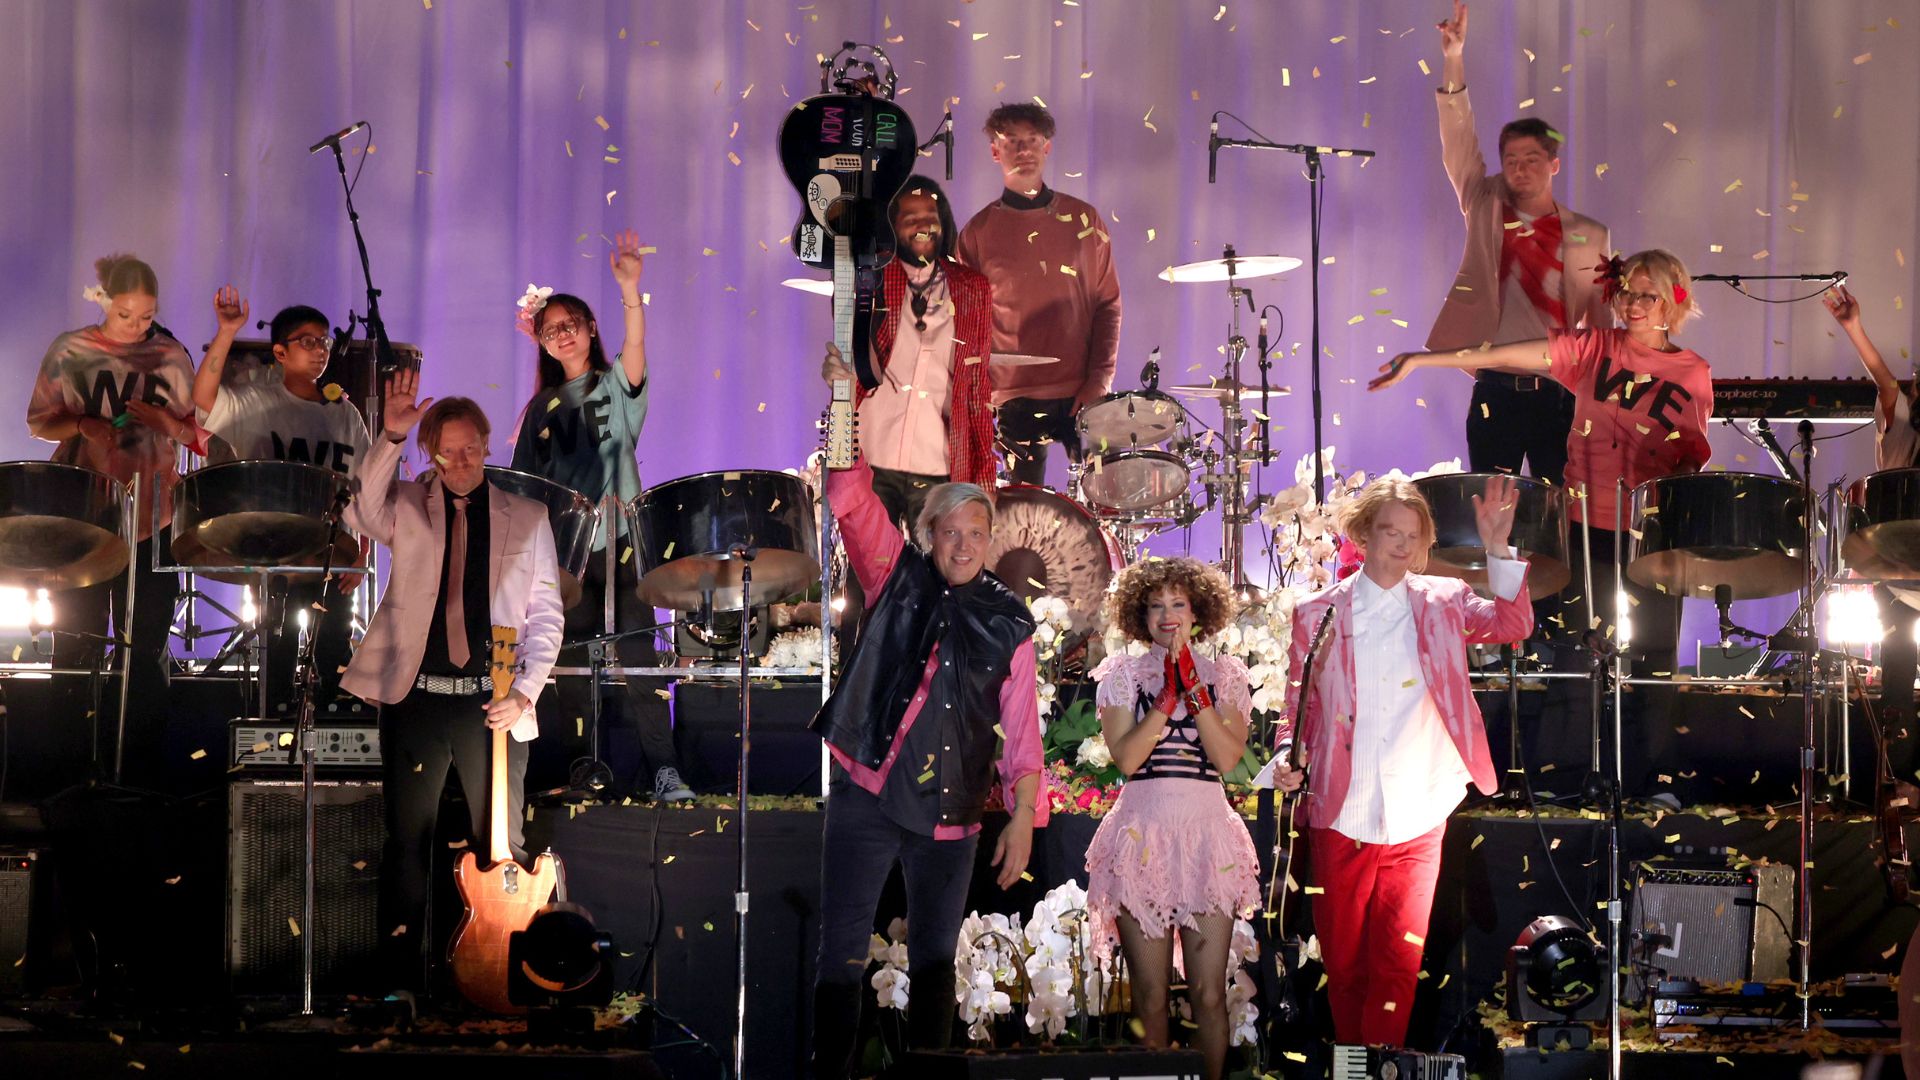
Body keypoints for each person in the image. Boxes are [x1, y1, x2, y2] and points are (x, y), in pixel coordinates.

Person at [809, 346, 1045, 1078]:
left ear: (990, 541)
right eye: (952, 533)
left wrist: (1022, 819)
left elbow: (1023, 734)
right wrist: (846, 403)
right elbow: (849, 495)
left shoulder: (1011, 621)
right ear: (928, 537)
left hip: (952, 809)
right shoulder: (893, 574)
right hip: (870, 789)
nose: (965, 545)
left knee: (938, 955)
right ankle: (830, 1072)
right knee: (844, 948)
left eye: (978, 534)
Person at [1272, 475, 1529, 1048]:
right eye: (1391, 531)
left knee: (1397, 967)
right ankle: (1354, 1066)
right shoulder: (1318, 612)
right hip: (1342, 811)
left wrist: (1497, 549)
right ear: (1363, 534)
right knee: (1345, 966)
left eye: (1413, 535)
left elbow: (1514, 625)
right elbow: (1298, 703)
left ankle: (1381, 1067)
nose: (1402, 544)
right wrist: (1287, 756)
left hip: (1419, 809)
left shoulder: (1444, 599)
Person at [1372, 249, 1708, 680]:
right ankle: (1564, 746)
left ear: (1672, 302)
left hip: (1651, 534)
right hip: (1585, 528)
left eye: (1649, 297)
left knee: (1653, 670)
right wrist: (1421, 359)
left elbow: (1691, 459)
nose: (1634, 306)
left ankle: (1650, 744)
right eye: (1627, 294)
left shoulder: (1693, 372)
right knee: (1576, 662)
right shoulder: (1594, 349)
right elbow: (1503, 354)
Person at [340, 376, 565, 993]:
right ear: (429, 455)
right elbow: (359, 510)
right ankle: (401, 984)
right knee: (407, 843)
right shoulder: (409, 503)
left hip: (492, 704)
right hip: (417, 700)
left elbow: (546, 611)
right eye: (446, 452)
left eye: (470, 450)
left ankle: (498, 976)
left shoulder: (529, 516)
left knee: (504, 845)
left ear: (488, 444)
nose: (460, 463)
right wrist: (390, 434)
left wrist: (526, 692)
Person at [508, 231, 691, 803]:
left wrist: (630, 289)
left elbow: (635, 348)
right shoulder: (539, 408)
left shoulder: (616, 384)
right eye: (550, 327)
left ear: (590, 330)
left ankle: (663, 770)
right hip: (564, 555)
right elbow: (523, 488)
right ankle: (579, 771)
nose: (562, 333)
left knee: (638, 664)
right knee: (564, 668)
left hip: (621, 543)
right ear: (540, 340)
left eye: (572, 323)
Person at [27, 253, 207, 785]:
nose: (137, 326)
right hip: (85, 515)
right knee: (76, 641)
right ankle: (70, 772)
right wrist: (84, 424)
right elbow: (40, 422)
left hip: (153, 515)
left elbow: (196, 432)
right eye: (127, 315)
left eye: (147, 316)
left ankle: (138, 773)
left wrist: (164, 423)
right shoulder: (72, 350)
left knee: (146, 647)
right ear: (105, 301)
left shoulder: (170, 354)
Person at [1083, 557, 1257, 1080]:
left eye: (1178, 603)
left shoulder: (1226, 676)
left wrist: (1194, 691)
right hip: (1143, 838)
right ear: (1141, 613)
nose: (1168, 615)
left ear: (1197, 610)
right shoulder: (1120, 676)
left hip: (1207, 838)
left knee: (1208, 993)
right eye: (1156, 605)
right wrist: (1163, 701)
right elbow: (1127, 759)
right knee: (1152, 996)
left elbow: (1229, 760)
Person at [1428, 0, 1610, 484]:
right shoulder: (1485, 202)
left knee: (1560, 516)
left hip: (1558, 392)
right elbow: (1458, 139)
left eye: (1532, 158)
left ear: (1554, 164)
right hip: (1495, 389)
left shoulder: (1589, 235)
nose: (1519, 168)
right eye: (1511, 158)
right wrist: (1454, 57)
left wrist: (1602, 406)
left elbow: (1600, 325)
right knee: (1493, 512)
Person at [194, 290, 370, 713]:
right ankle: (272, 725)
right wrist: (226, 331)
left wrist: (361, 555)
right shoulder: (257, 403)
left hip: (330, 550)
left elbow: (364, 487)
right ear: (280, 351)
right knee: (277, 638)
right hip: (273, 548)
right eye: (307, 341)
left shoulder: (344, 414)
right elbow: (203, 400)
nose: (319, 351)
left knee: (331, 643)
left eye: (324, 342)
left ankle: (328, 724)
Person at [956, 101, 1121, 486]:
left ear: (1047, 148)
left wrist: (1099, 380)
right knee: (1024, 519)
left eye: (1032, 141)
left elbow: (1107, 305)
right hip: (1013, 397)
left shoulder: (1084, 220)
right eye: (1012, 142)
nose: (1023, 151)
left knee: (1107, 507)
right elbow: (966, 324)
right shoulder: (977, 233)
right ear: (995, 151)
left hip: (1084, 389)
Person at [826, 174, 996, 533]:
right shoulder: (868, 281)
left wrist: (983, 479)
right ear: (892, 227)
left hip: (938, 464)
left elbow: (978, 390)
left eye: (930, 215)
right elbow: (850, 356)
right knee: (869, 582)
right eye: (910, 217)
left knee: (932, 583)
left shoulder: (971, 288)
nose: (924, 225)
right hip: (873, 458)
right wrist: (836, 371)